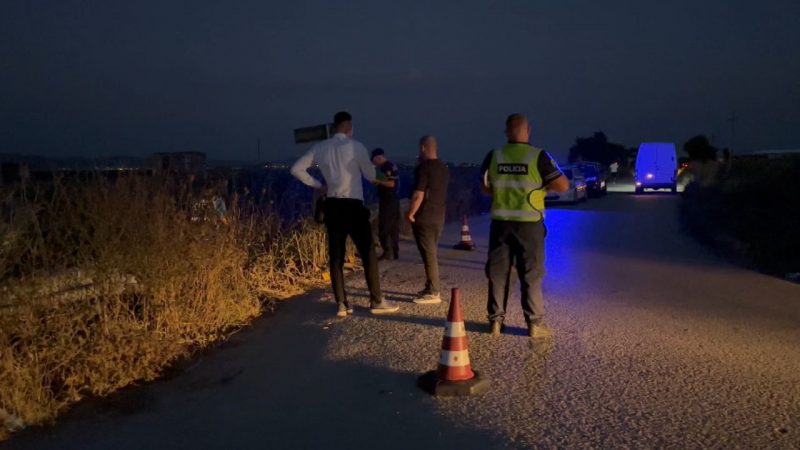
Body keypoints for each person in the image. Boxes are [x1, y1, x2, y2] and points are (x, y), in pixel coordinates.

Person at [291, 111, 399, 317]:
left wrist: (318, 185)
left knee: (336, 256)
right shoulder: (356, 146)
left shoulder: (320, 148)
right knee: (368, 252)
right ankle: (376, 300)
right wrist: (385, 177)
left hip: (332, 206)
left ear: (334, 126)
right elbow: (370, 175)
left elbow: (296, 169)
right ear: (349, 126)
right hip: (354, 206)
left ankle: (341, 303)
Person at [480, 113, 569, 338]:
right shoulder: (538, 156)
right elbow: (563, 186)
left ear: (506, 131)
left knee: (498, 273)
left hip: (500, 224)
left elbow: (484, 188)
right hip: (529, 225)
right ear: (528, 130)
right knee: (531, 274)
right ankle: (534, 324)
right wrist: (543, 187)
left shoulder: (494, 155)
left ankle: (495, 322)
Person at [407, 135, 449, 304]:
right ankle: (429, 286)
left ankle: (433, 291)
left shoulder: (423, 168)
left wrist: (411, 213)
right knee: (432, 252)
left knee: (429, 255)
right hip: (439, 216)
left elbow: (419, 194)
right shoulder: (444, 168)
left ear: (423, 148)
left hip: (425, 216)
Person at [370, 148, 401, 260]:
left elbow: (391, 183)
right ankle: (394, 251)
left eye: (374, 160)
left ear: (378, 158)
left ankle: (388, 251)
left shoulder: (387, 167)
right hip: (393, 200)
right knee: (393, 226)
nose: (374, 163)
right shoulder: (391, 166)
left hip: (388, 200)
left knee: (385, 226)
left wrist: (378, 181)